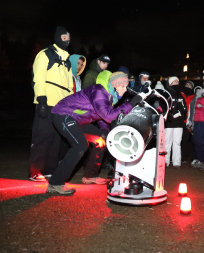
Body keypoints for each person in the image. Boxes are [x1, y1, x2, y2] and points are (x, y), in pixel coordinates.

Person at [47, 72, 136, 194]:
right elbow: (109, 116)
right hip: (63, 114)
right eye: (123, 87)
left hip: (78, 119)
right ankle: (55, 183)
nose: (125, 90)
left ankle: (90, 176)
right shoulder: (99, 91)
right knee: (80, 145)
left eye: (126, 87)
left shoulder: (111, 96)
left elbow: (101, 116)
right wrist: (131, 104)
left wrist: (104, 131)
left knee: (100, 139)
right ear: (115, 85)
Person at [29, 26, 74, 182]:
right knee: (43, 135)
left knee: (56, 138)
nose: (66, 41)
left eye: (68, 38)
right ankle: (35, 171)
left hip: (61, 107)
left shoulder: (67, 61)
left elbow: (69, 87)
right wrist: (41, 99)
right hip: (47, 102)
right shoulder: (45, 54)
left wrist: (71, 106)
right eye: (63, 38)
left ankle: (49, 169)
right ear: (57, 38)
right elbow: (38, 78)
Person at [165, 76, 187, 169]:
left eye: (177, 81)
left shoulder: (181, 95)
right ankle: (165, 161)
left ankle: (176, 162)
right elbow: (164, 107)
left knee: (177, 142)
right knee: (167, 142)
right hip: (169, 122)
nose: (176, 83)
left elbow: (184, 108)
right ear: (170, 84)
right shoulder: (167, 94)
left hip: (178, 122)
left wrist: (178, 114)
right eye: (174, 82)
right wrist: (170, 114)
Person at [180, 81, 196, 164]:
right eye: (186, 84)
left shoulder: (195, 96)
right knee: (182, 140)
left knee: (191, 140)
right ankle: (182, 157)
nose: (188, 86)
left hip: (190, 121)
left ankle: (191, 157)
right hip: (181, 120)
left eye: (190, 85)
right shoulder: (180, 94)